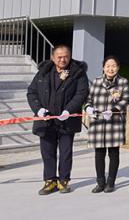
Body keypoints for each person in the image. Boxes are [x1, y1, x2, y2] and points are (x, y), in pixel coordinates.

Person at [27, 45, 89, 195]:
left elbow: (81, 94)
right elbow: (32, 92)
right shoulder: (43, 72)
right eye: (59, 57)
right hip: (46, 121)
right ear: (53, 58)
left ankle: (63, 180)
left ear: (70, 56)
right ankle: (50, 181)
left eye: (66, 56)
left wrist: (69, 110)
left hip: (67, 121)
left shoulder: (78, 73)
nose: (63, 59)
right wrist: (39, 110)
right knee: (47, 152)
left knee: (66, 152)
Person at [84, 55, 129, 193]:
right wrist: (88, 108)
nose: (111, 69)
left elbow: (125, 99)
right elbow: (88, 98)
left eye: (114, 66)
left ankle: (111, 182)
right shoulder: (96, 81)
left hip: (114, 122)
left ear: (118, 68)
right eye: (108, 66)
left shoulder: (123, 82)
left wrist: (113, 110)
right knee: (99, 153)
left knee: (113, 153)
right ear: (103, 68)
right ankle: (100, 182)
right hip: (97, 122)